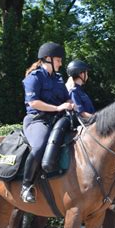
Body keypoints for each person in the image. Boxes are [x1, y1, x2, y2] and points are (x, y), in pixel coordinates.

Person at [21, 42, 75, 203]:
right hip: (37, 120)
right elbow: (34, 103)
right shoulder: (33, 78)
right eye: (58, 60)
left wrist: (70, 103)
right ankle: (26, 186)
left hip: (57, 120)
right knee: (39, 146)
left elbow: (66, 97)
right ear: (47, 59)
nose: (60, 63)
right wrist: (58, 107)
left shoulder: (58, 79)